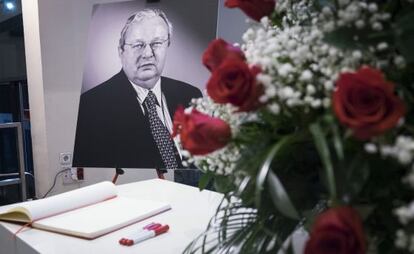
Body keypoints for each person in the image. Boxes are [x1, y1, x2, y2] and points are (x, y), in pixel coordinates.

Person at [73, 9, 202, 181]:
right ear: (121, 51)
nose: (148, 54)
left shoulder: (190, 95)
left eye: (157, 43)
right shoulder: (93, 106)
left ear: (167, 45)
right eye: (138, 45)